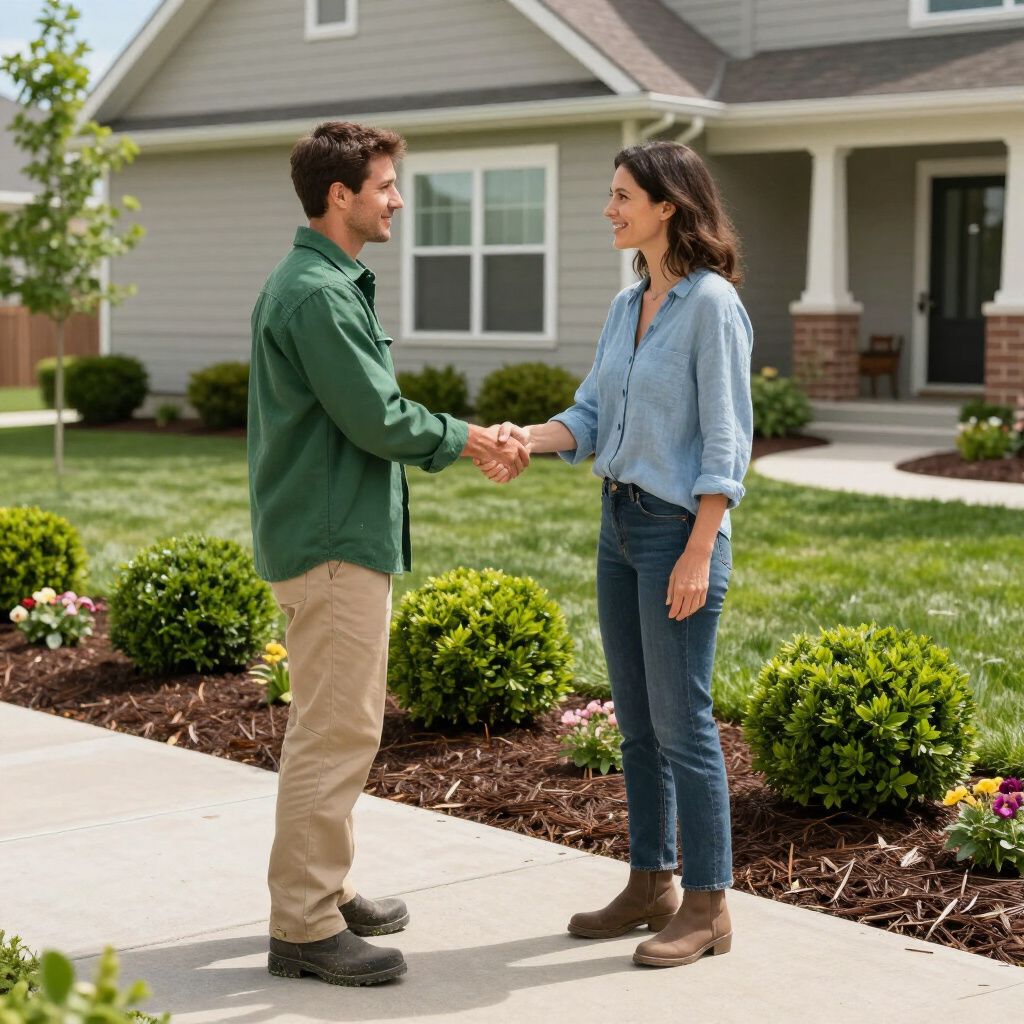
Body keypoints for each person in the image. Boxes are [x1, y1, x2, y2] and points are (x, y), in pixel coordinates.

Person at [247, 121, 528, 987]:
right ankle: (303, 922)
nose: (398, 199)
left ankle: (322, 890)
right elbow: (375, 418)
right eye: (386, 184)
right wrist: (471, 437)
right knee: (335, 732)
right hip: (332, 543)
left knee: (337, 724)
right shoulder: (319, 295)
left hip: (331, 533)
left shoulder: (323, 282)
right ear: (342, 196)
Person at [483, 140, 752, 968]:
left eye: (622, 195)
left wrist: (700, 549)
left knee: (685, 724)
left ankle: (708, 907)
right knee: (636, 724)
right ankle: (650, 884)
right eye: (610, 194)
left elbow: (725, 440)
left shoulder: (711, 306)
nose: (609, 208)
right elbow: (590, 415)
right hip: (618, 525)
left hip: (677, 531)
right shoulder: (625, 303)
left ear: (668, 205)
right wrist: (524, 438)